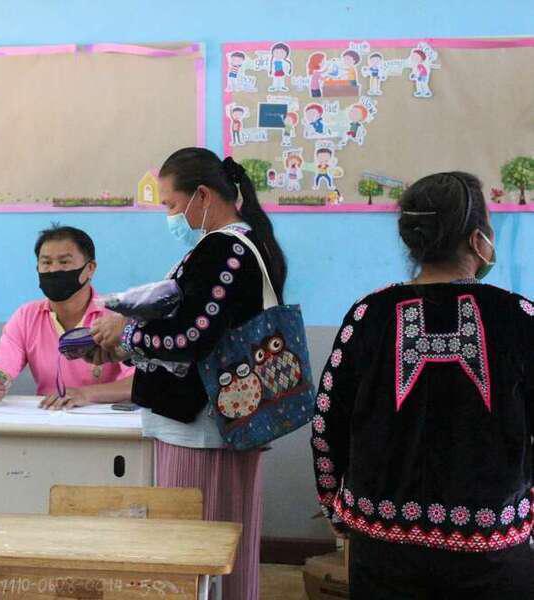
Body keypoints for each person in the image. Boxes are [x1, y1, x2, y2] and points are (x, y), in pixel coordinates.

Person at [311, 172, 534, 598]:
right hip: (493, 552)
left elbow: (325, 425)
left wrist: (334, 505)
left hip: (382, 550)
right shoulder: (519, 317)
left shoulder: (368, 315)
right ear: (477, 239)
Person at [89, 148, 289, 600]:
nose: (169, 216)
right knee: (225, 555)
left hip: (202, 431)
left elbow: (192, 336)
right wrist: (124, 343)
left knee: (194, 556)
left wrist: (128, 332)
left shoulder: (224, 248)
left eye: (171, 204)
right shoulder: (245, 244)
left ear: (202, 195)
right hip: (220, 425)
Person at [0, 225, 133, 410]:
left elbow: (139, 382)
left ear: (90, 268)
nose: (53, 270)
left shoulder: (117, 316)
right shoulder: (26, 317)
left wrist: (85, 394)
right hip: (48, 417)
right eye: (46, 263)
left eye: (64, 262)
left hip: (107, 420)